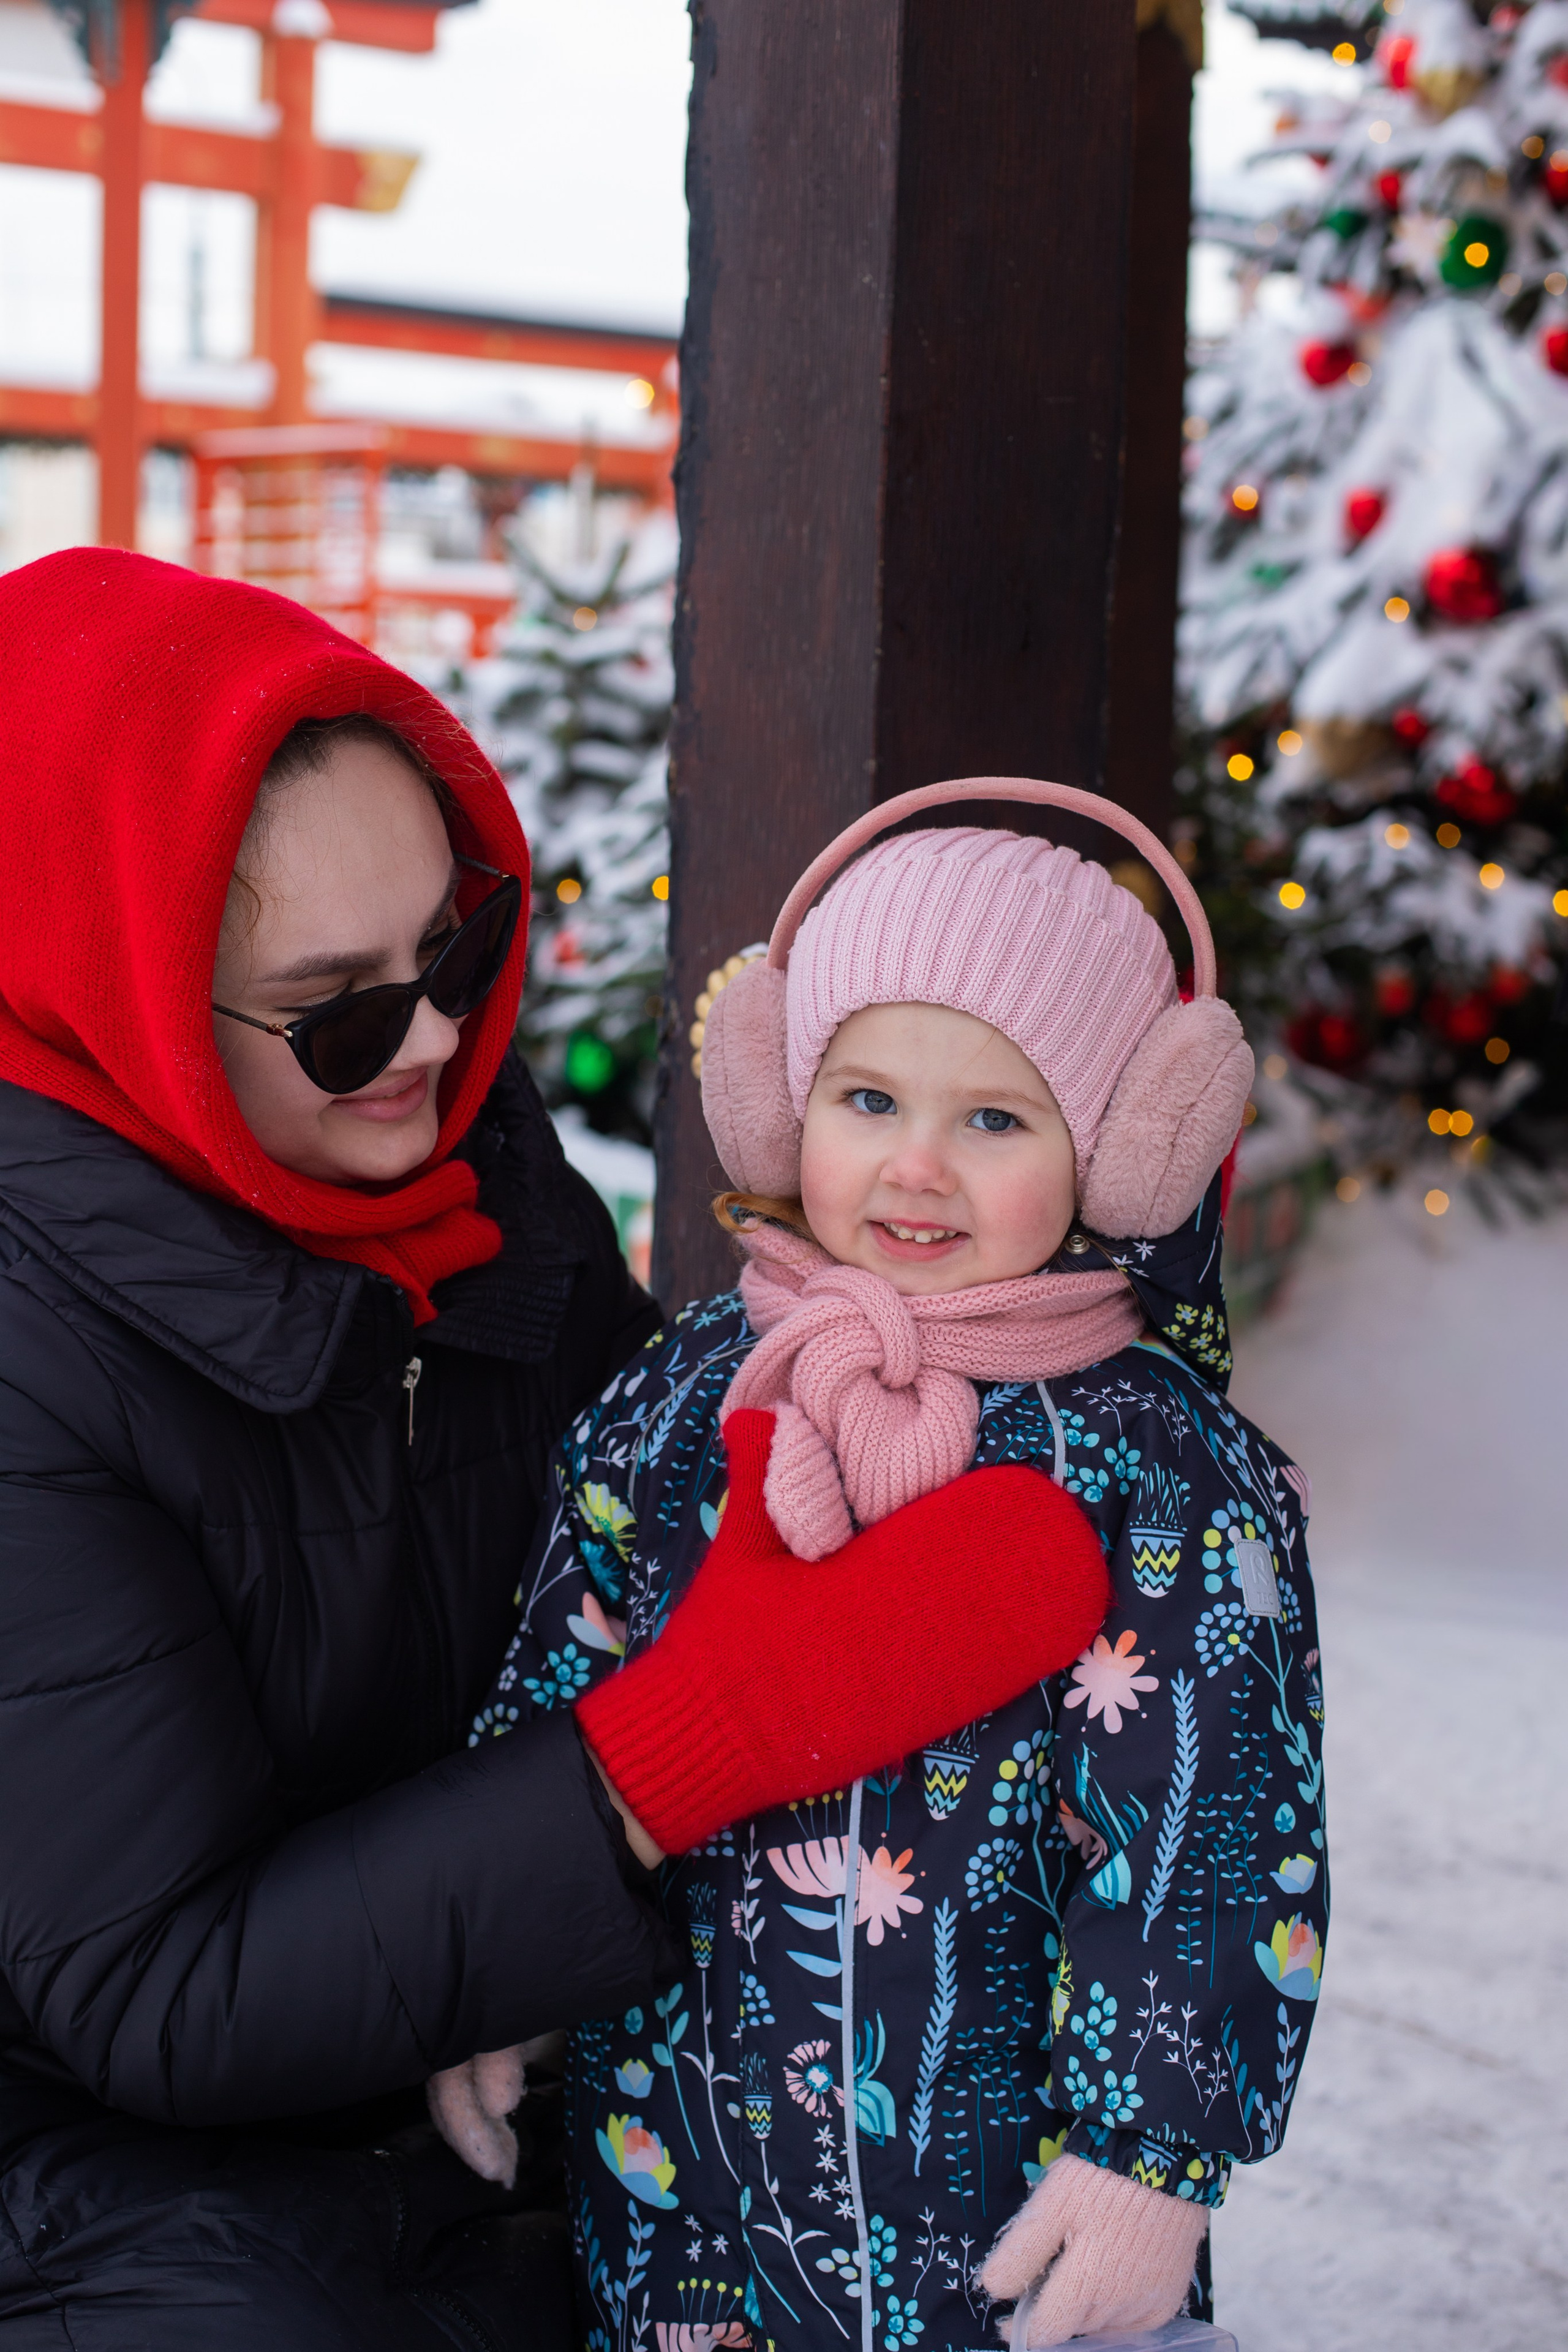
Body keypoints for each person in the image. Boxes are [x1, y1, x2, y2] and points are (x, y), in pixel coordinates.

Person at [0, 559, 1110, 2352]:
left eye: (458, 943)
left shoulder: (482, 1192)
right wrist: (665, 1760)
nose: (438, 1040)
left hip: (501, 2037)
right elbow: (159, 1990)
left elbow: (661, 1538)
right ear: (120, 992)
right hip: (102, 2157)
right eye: (341, 1006)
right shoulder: (29, 1348)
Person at [480, 780, 1329, 2349]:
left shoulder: (1153, 1467)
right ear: (775, 1100)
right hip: (682, 2190)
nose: (915, 1165)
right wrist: (484, 1966)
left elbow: (1211, 1826)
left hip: (1001, 2220)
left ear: (1126, 1153)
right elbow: (560, 1688)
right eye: (865, 1100)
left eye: (993, 1119)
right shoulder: (682, 1402)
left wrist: (1153, 2152)